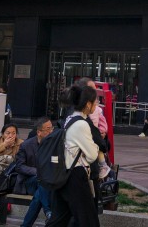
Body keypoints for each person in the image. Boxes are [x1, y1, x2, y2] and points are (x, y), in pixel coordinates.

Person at [47, 81, 100, 227]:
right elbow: (92, 155)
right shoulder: (82, 124)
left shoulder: (70, 119)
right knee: (88, 220)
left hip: (65, 173)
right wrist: (95, 146)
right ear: (88, 104)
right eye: (95, 102)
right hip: (76, 176)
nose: (97, 105)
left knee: (59, 219)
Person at [16, 118, 55, 227]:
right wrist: (37, 172)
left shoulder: (53, 145)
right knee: (41, 179)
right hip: (29, 182)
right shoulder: (26, 145)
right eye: (48, 129)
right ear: (39, 132)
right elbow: (19, 166)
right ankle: (48, 211)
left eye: (52, 128)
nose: (51, 131)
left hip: (47, 183)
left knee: (39, 196)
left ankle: (26, 225)